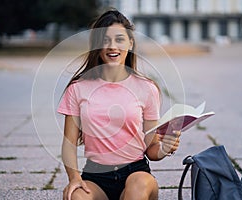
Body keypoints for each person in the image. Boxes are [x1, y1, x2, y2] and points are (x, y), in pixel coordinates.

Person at [58, 9, 181, 200]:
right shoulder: (78, 88)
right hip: (95, 177)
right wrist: (74, 178)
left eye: (119, 40)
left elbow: (151, 150)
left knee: (138, 187)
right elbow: (68, 143)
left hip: (136, 174)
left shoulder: (147, 88)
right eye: (105, 40)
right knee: (75, 197)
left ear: (130, 43)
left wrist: (165, 146)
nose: (112, 46)